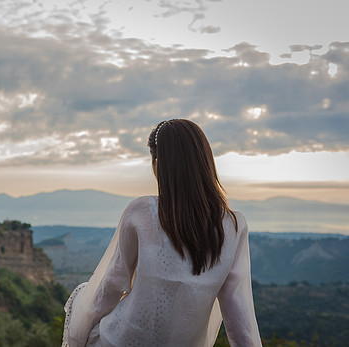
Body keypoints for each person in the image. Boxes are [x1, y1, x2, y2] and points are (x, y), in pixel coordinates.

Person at [62, 119, 262, 347]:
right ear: (205, 163)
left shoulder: (141, 211)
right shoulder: (234, 226)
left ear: (158, 164)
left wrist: (78, 337)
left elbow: (112, 285)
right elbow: (240, 321)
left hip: (121, 341)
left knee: (81, 297)